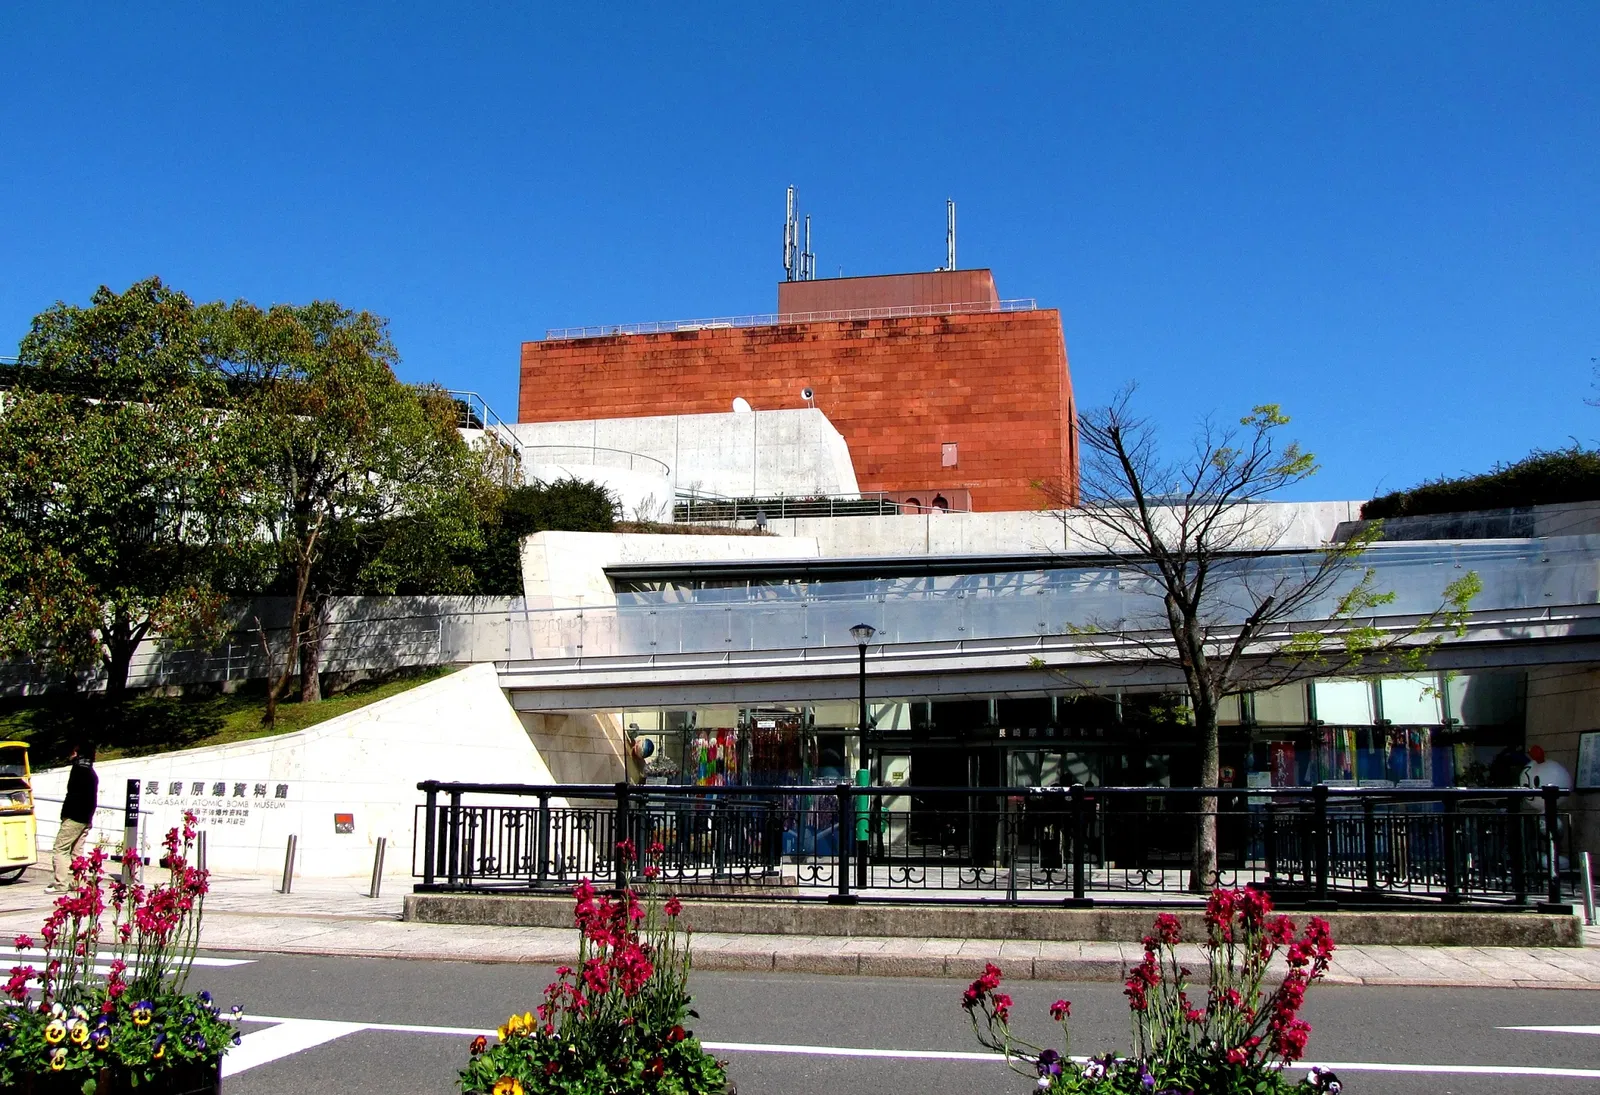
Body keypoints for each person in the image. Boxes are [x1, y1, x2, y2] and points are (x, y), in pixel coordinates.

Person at [47, 741, 97, 892]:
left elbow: (72, 796)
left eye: (74, 752)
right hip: (86, 818)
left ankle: (59, 883)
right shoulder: (91, 772)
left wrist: (65, 816)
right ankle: (79, 884)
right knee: (77, 851)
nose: (71, 754)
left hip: (74, 816)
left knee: (60, 848)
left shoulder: (77, 770)